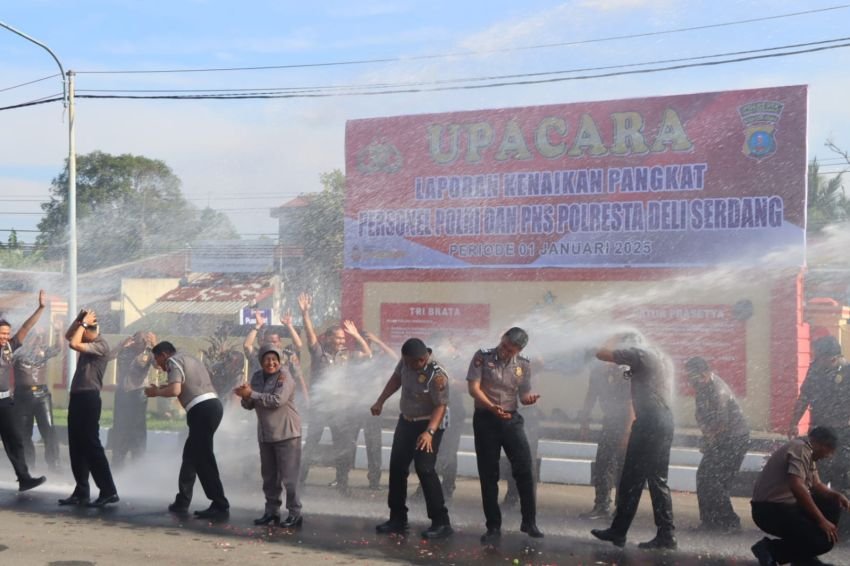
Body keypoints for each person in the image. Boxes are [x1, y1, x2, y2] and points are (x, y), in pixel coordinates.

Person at [591, 332, 676, 550]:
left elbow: (601, 353)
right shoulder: (657, 356)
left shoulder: (639, 353)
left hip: (649, 422)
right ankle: (666, 534)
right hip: (663, 420)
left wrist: (611, 337)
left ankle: (619, 532)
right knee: (656, 480)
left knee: (631, 478)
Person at [371, 337, 453, 540]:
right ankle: (397, 519)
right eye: (405, 361)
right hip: (407, 420)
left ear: (423, 358)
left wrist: (429, 433)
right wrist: (380, 401)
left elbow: (440, 406)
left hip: (430, 423)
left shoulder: (437, 375)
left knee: (424, 468)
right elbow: (396, 379)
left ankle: (441, 522)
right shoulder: (406, 361)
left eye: (411, 363)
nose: (407, 365)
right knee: (398, 467)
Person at [467, 327, 543, 545]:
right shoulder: (482, 356)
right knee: (489, 474)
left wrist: (529, 399)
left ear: (518, 350)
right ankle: (493, 526)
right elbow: (473, 388)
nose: (504, 350)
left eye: (510, 349)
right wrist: (491, 407)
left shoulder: (524, 365)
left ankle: (529, 521)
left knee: (525, 469)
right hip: (485, 419)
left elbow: (524, 393)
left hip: (510, 419)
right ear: (501, 339)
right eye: (504, 345)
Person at [297, 292, 373, 493]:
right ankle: (300, 480)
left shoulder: (347, 356)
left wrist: (356, 335)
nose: (341, 340)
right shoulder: (319, 353)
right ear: (328, 338)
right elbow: (310, 334)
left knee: (343, 445)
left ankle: (342, 482)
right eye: (337, 337)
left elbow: (368, 354)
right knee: (311, 444)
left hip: (339, 409)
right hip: (320, 408)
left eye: (343, 338)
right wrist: (305, 313)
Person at [146, 341, 230, 520]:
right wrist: (161, 389)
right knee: (191, 456)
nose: (159, 366)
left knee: (203, 457)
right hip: (212, 406)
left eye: (157, 360)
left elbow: (175, 389)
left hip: (201, 409)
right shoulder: (189, 357)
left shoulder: (173, 361)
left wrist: (156, 393)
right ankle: (182, 501)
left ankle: (219, 503)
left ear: (163, 354)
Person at [751, 426, 850, 566]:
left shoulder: (808, 451)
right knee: (823, 541)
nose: (828, 456)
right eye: (828, 450)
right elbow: (797, 487)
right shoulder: (801, 449)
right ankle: (771, 549)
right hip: (770, 510)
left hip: (786, 506)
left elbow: (816, 485)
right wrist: (821, 520)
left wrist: (837, 495)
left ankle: (803, 559)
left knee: (832, 503)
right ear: (819, 443)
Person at [235, 345, 303, 528]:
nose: (270, 363)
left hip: (287, 433)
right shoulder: (257, 376)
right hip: (266, 434)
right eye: (267, 359)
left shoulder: (285, 376)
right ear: (261, 361)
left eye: (274, 359)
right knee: (269, 477)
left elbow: (277, 400)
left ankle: (295, 513)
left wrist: (252, 394)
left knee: (289, 477)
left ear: (279, 360)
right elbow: (250, 405)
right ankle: (271, 512)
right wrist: (244, 396)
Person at [61, 308, 119, 507]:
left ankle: (108, 491)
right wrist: (80, 319)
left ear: (87, 330)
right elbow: (69, 335)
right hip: (78, 398)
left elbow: (73, 343)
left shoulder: (101, 345)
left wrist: (83, 324)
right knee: (76, 445)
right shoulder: (88, 340)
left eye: (82, 328)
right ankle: (81, 491)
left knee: (92, 445)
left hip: (89, 399)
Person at [686, 356, 750, 532]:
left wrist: (710, 440)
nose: (691, 380)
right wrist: (707, 436)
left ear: (706, 373)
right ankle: (709, 521)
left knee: (716, 480)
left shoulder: (717, 390)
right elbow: (700, 416)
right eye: (689, 376)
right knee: (703, 476)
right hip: (720, 438)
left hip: (735, 439)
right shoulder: (701, 387)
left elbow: (722, 423)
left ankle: (731, 522)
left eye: (694, 376)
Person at [788, 335, 850, 493]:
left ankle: (842, 511)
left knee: (841, 475)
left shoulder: (848, 372)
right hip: (819, 430)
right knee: (815, 474)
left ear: (833, 358)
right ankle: (818, 512)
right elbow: (804, 397)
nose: (816, 360)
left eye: (819, 357)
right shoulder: (815, 369)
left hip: (843, 433)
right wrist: (794, 423)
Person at [0, 290, 48, 492]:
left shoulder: (9, 348)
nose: (5, 337)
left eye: (7, 334)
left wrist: (41, 308)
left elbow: (26, 327)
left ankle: (24, 478)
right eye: (2, 333)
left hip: (4, 402)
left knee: (15, 440)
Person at [578, 357, 633, 520]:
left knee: (623, 468)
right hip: (609, 422)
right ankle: (601, 505)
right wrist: (584, 421)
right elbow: (590, 397)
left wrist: (627, 433)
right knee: (602, 463)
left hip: (625, 423)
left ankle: (622, 508)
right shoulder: (596, 374)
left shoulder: (626, 374)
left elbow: (632, 404)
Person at [13, 328, 61, 472]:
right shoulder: (18, 353)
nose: (38, 341)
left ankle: (54, 464)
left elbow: (58, 349)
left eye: (39, 338)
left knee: (49, 429)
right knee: (24, 432)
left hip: (42, 395)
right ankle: (28, 464)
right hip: (22, 396)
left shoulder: (43, 352)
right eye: (34, 337)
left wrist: (58, 332)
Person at [109, 331, 156, 469]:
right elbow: (109, 356)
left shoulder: (149, 352)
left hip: (139, 393)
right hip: (122, 392)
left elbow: (159, 365)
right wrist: (121, 345)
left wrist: (154, 345)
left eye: (143, 341)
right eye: (137, 341)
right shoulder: (125, 348)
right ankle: (117, 464)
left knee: (138, 430)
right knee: (120, 428)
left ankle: (138, 465)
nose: (139, 344)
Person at [243, 309, 308, 401]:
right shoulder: (258, 356)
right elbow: (247, 345)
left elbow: (298, 345)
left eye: (275, 342)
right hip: (261, 399)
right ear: (263, 343)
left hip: (283, 398)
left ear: (280, 343)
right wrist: (257, 326)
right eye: (268, 342)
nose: (272, 344)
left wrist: (289, 326)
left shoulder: (287, 355)